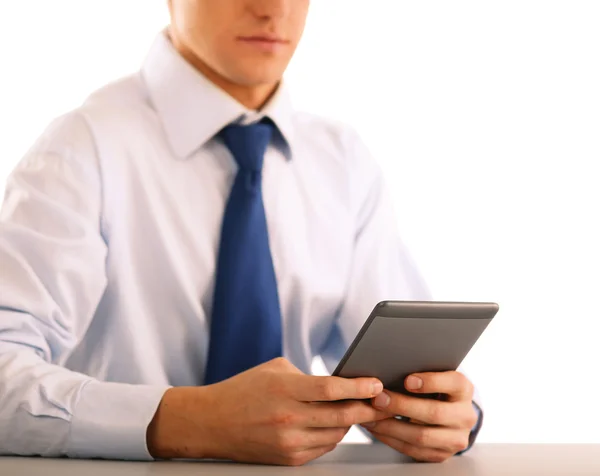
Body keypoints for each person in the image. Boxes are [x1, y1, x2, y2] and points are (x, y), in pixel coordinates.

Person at [0, 0, 482, 466]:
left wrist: (440, 415)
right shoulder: (81, 149)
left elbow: (396, 372)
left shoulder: (343, 161)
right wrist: (188, 421)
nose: (273, 9)